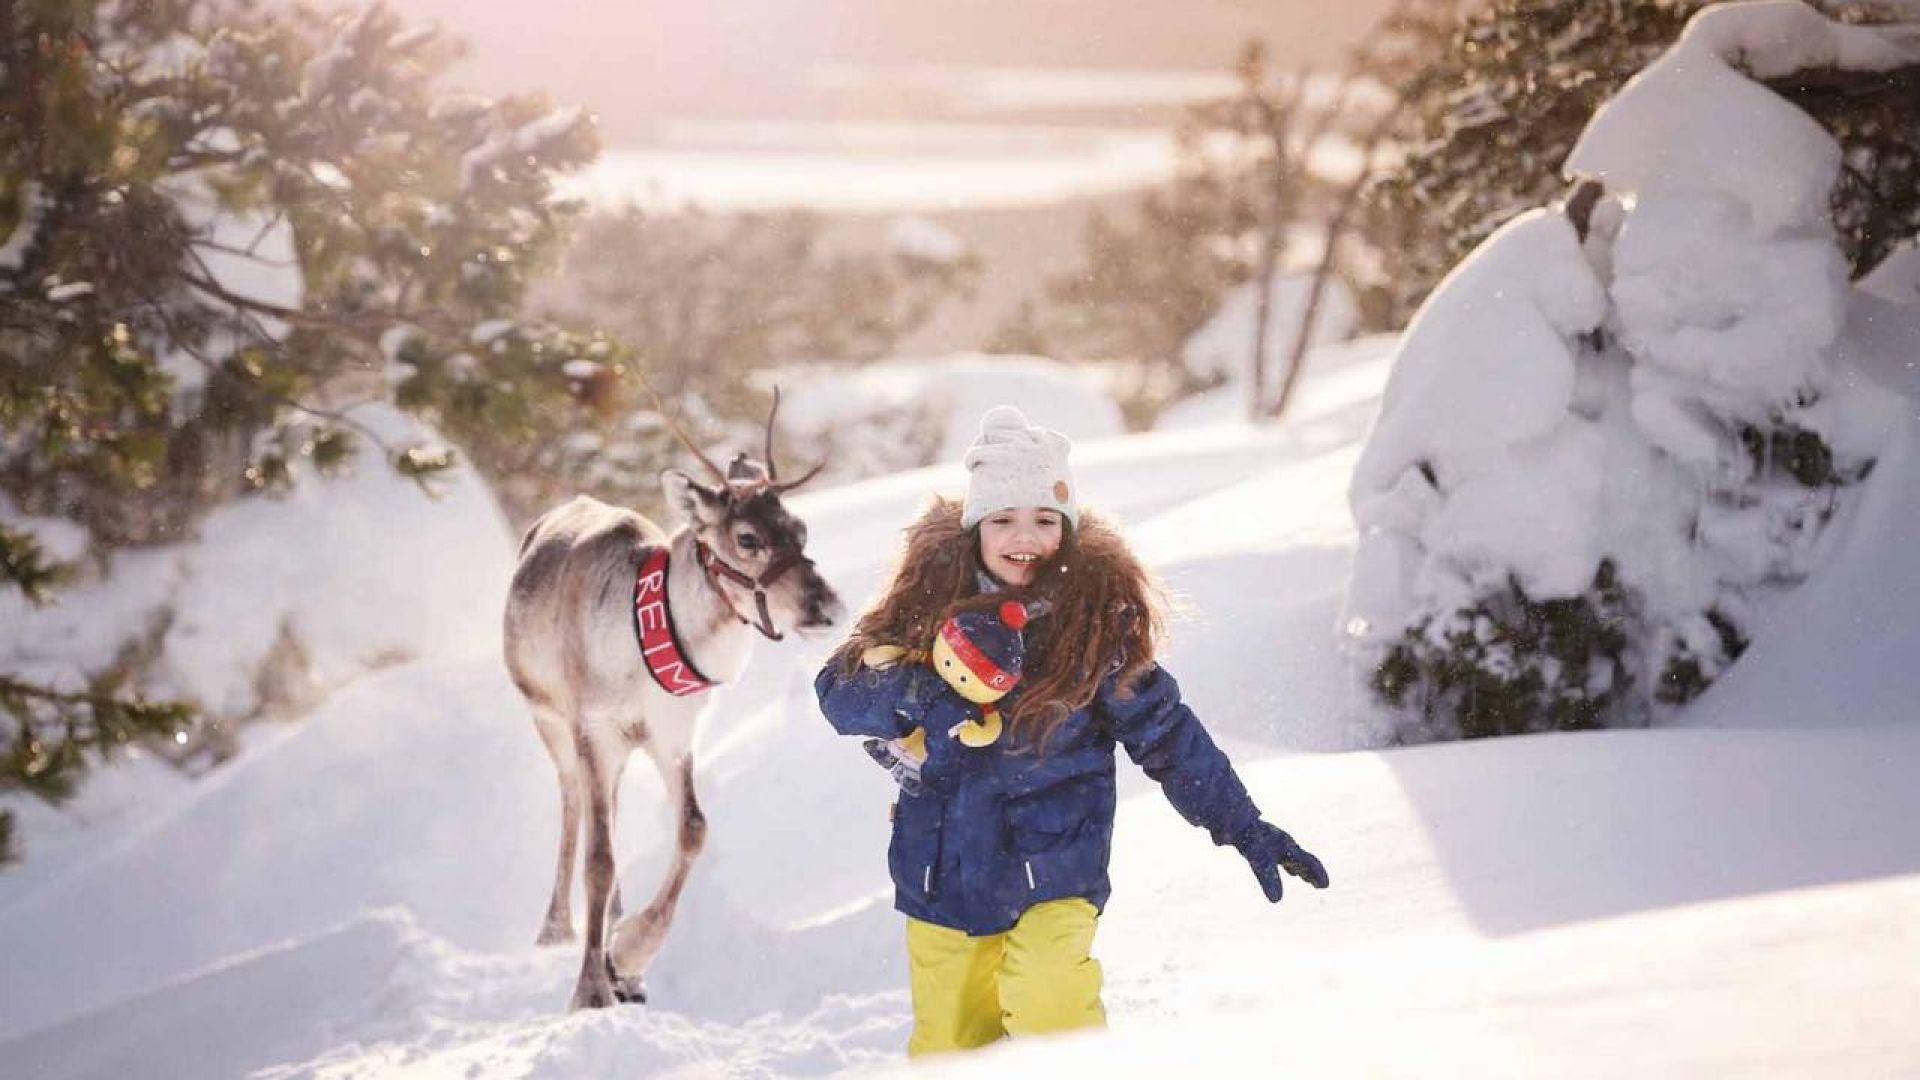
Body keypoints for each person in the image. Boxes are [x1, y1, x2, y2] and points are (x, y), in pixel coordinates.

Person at [814, 405, 1329, 1057]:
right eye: (1003, 519)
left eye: (1043, 520)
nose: (1022, 536)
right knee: (952, 1042)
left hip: (1053, 864)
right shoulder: (925, 605)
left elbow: (1168, 736)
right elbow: (839, 692)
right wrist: (922, 693)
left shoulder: (1095, 625)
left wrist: (1242, 823)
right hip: (941, 869)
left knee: (1049, 1003)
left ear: (1068, 527)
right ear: (976, 528)